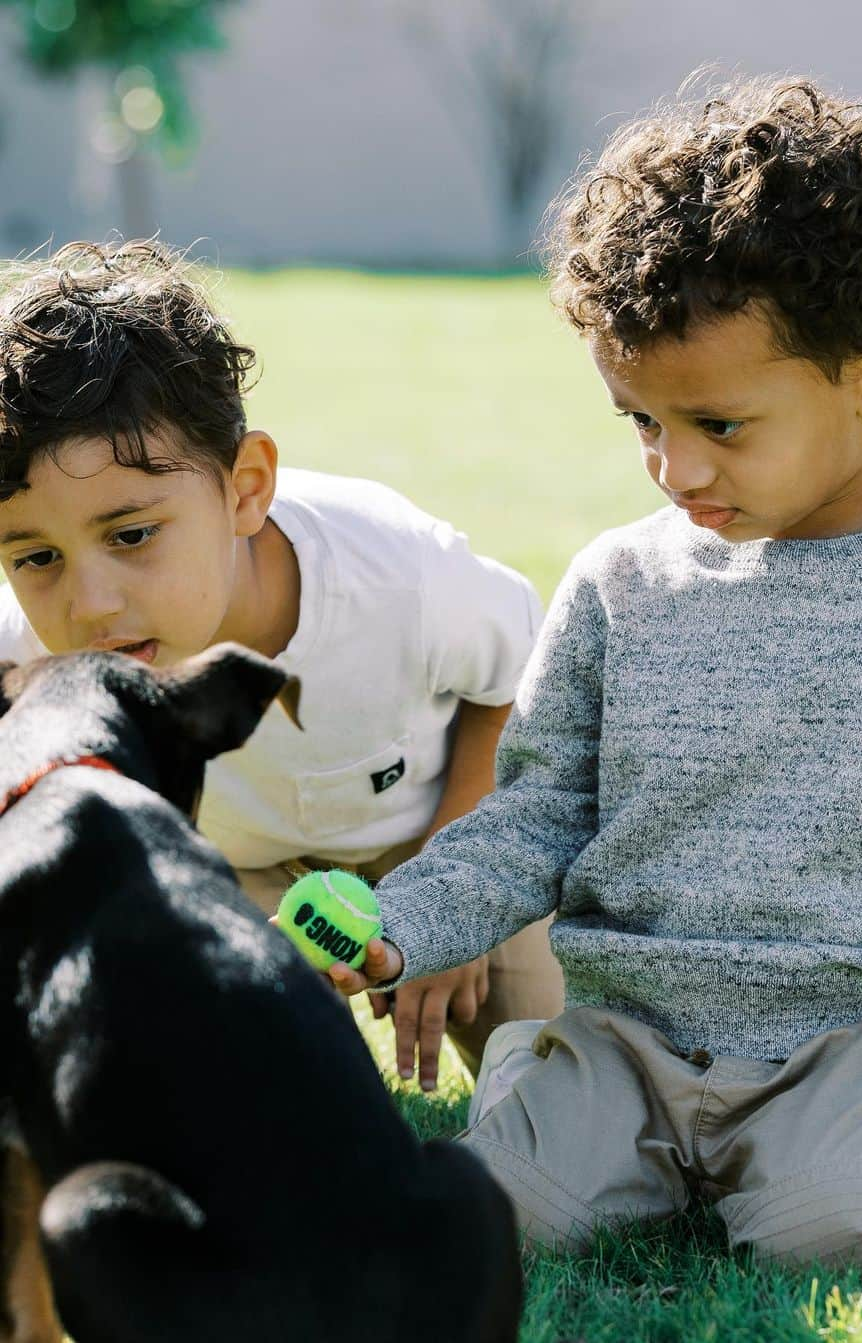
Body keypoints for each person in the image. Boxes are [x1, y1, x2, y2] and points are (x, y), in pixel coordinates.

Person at [343, 74, 862, 1270]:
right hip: (630, 1028)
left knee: (824, 1232)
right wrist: (403, 928)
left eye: (719, 425)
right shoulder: (619, 584)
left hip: (860, 1031)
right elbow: (533, 815)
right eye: (641, 421)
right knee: (497, 1219)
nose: (674, 470)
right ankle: (542, 1086)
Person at [0, 240, 564, 1087]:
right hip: (236, 872)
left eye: (131, 535)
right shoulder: (28, 657)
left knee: (561, 1078)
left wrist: (455, 892)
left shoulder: (399, 578)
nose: (89, 604)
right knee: (220, 1113)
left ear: (245, 487)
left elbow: (524, 687)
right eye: (36, 556)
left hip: (435, 834)